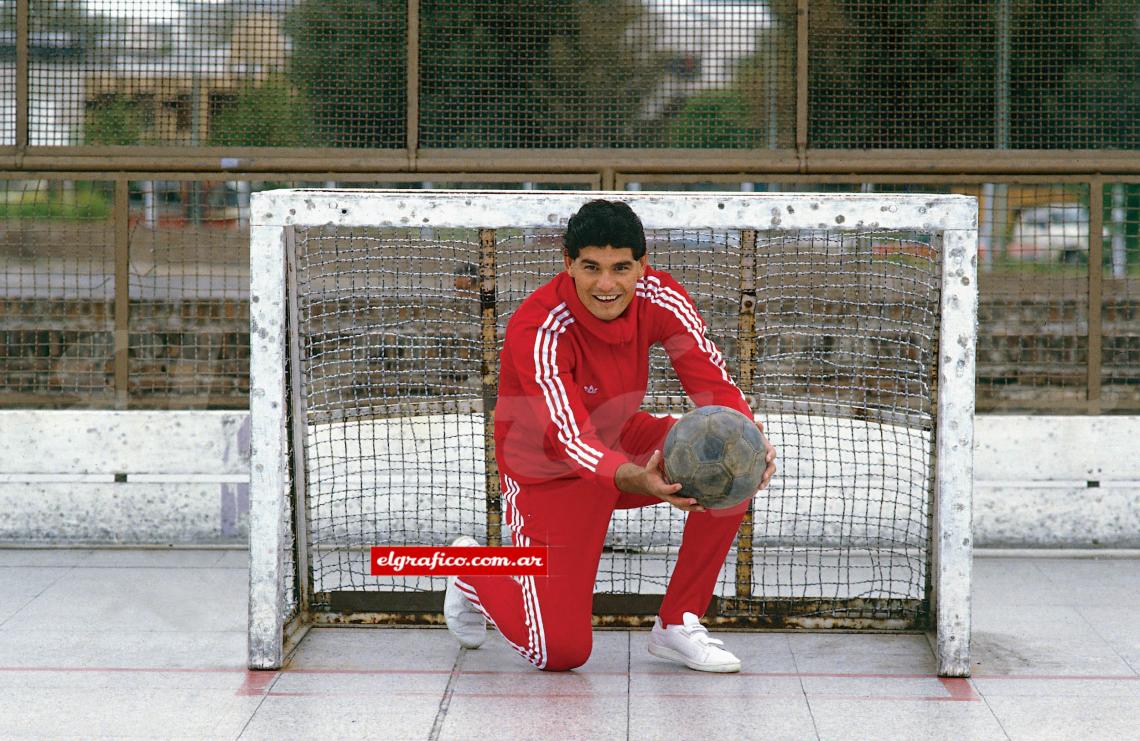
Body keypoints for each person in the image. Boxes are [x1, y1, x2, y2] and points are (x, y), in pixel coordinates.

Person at [444, 199, 776, 673]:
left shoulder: (660, 297)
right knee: (559, 653)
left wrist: (750, 442)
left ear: (642, 264)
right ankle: (471, 569)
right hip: (550, 473)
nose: (606, 284)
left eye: (621, 267)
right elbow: (568, 437)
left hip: (622, 440)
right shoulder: (539, 327)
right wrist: (636, 477)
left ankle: (677, 623)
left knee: (727, 468)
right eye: (591, 268)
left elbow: (711, 383)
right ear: (568, 264)